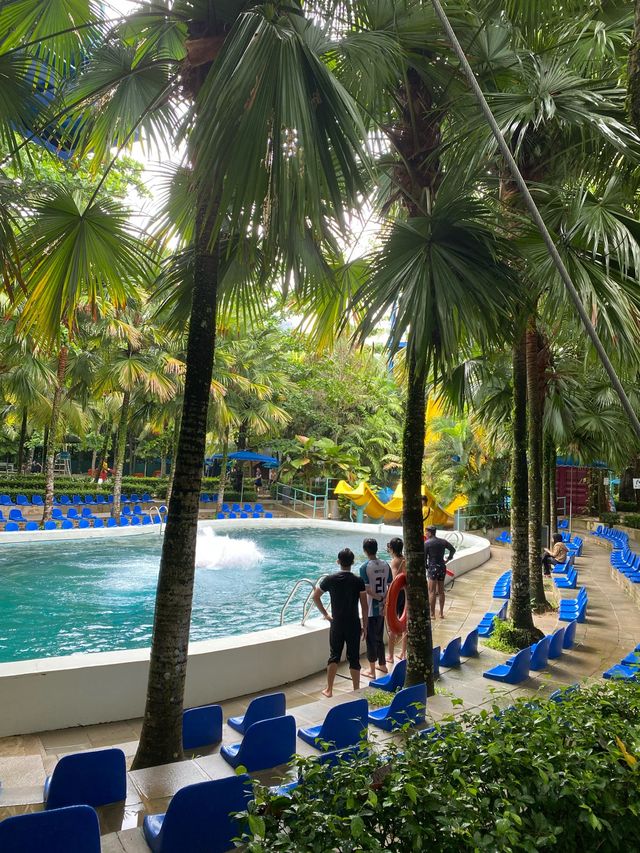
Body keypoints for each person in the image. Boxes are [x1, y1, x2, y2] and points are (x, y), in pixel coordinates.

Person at [313, 547, 368, 698]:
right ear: (353, 562)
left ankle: (329, 689)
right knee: (354, 657)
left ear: (338, 562)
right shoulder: (358, 581)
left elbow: (315, 597)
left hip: (337, 623)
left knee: (334, 655)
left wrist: (326, 614)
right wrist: (365, 626)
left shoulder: (330, 579)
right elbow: (364, 605)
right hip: (353, 624)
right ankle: (356, 688)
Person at [359, 538, 393, 679]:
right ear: (376, 549)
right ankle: (383, 665)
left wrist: (378, 598)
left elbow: (367, 590)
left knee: (370, 638)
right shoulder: (386, 565)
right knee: (379, 636)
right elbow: (391, 585)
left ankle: (372, 671)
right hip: (383, 606)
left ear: (365, 550)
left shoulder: (364, 567)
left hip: (371, 608)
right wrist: (385, 599)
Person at [424, 525, 456, 619]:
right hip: (442, 567)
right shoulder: (443, 541)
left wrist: (427, 567)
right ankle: (441, 613)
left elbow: (424, 559)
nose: (425, 534)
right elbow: (452, 550)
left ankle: (432, 614)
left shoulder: (427, 543)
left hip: (433, 567)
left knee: (432, 591)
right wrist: (448, 559)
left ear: (429, 532)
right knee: (441, 591)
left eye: (426, 532)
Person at [385, 537, 406, 663]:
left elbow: (394, 580)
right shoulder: (405, 559)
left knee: (391, 626)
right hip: (405, 594)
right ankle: (403, 653)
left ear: (392, 548)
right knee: (405, 624)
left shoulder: (395, 561)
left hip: (397, 594)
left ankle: (391, 656)